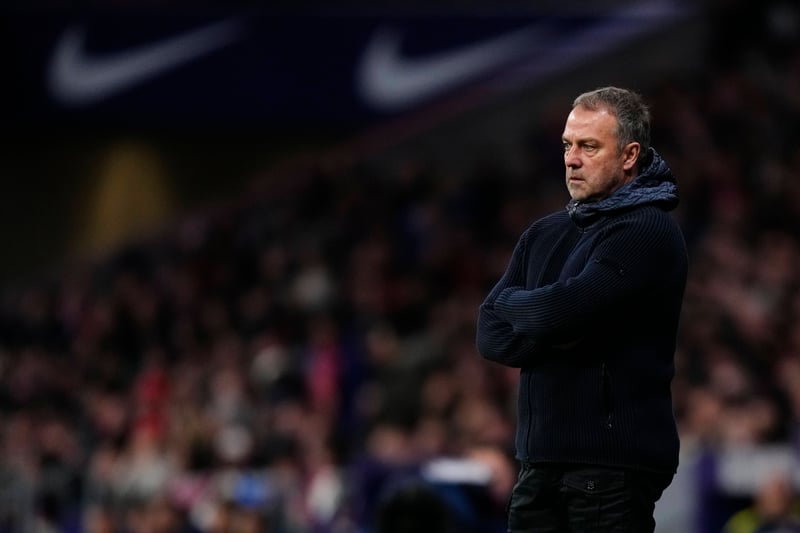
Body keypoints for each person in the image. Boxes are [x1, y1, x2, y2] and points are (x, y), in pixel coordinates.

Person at [476, 86, 688, 532]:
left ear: (629, 155)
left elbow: (560, 313)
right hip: (538, 462)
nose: (572, 159)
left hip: (610, 468)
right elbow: (490, 333)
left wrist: (518, 307)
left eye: (589, 146)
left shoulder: (647, 230)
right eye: (567, 146)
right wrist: (548, 319)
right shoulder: (544, 234)